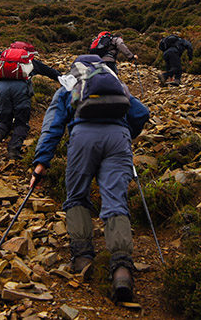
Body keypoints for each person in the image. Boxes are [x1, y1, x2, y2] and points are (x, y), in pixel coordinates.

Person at [29, 54, 150, 302]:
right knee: (115, 199)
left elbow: (52, 126)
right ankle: (122, 270)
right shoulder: (117, 84)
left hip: (82, 138)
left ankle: (83, 258)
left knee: (76, 195)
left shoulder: (71, 85)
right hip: (118, 139)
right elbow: (141, 113)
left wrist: (41, 162)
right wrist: (126, 133)